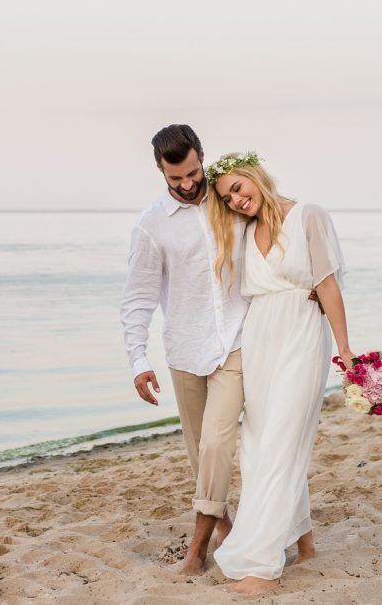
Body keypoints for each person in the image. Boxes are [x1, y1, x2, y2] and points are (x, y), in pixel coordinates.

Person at [206, 152, 354, 595]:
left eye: (238, 188)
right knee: (260, 445)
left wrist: (345, 349)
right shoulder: (245, 231)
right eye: (227, 198)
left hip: (302, 338)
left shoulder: (308, 215)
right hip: (261, 343)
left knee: (281, 443)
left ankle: (263, 566)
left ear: (255, 176)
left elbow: (327, 283)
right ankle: (304, 543)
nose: (236, 200)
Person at [120, 124, 249, 575]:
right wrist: (139, 360)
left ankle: (196, 551)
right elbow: (137, 298)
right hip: (184, 348)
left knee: (217, 442)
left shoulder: (231, 198)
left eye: (193, 172)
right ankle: (224, 524)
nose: (189, 184)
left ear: (201, 157)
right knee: (199, 453)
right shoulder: (150, 226)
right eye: (176, 179)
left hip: (236, 340)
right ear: (160, 170)